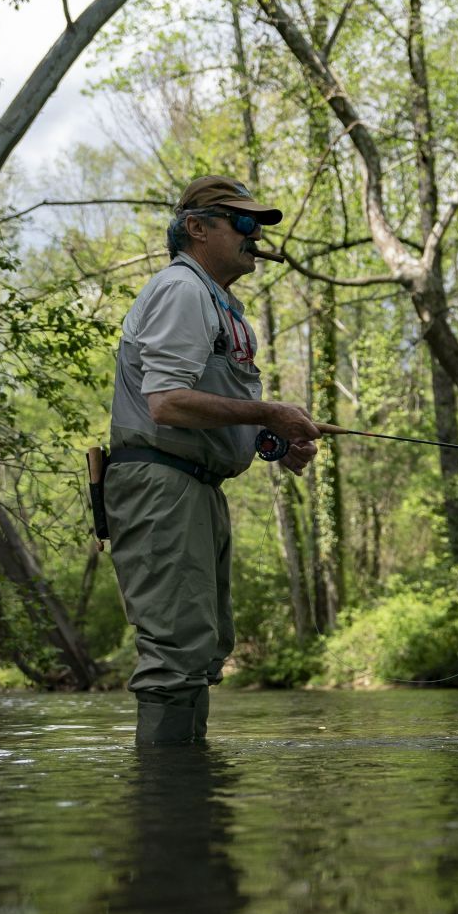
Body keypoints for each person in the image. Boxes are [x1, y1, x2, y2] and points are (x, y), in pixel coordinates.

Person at [107, 175, 320, 745]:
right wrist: (268, 413)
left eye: (257, 227)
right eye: (244, 223)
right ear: (197, 228)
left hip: (194, 487)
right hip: (162, 487)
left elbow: (204, 410)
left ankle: (188, 801)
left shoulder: (220, 303)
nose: (254, 236)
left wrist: (272, 442)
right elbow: (168, 403)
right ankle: (168, 811)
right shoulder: (182, 289)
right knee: (175, 655)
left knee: (199, 650)